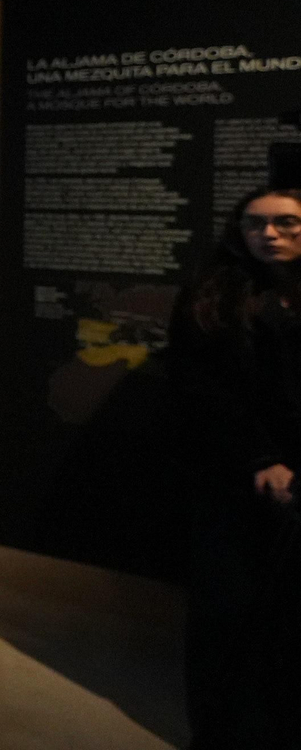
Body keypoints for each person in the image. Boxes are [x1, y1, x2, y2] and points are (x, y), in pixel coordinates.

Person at [168, 187, 301, 749]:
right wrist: (260, 457)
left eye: (286, 224)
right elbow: (201, 388)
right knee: (230, 610)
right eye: (255, 224)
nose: (268, 234)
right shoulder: (213, 296)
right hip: (233, 479)